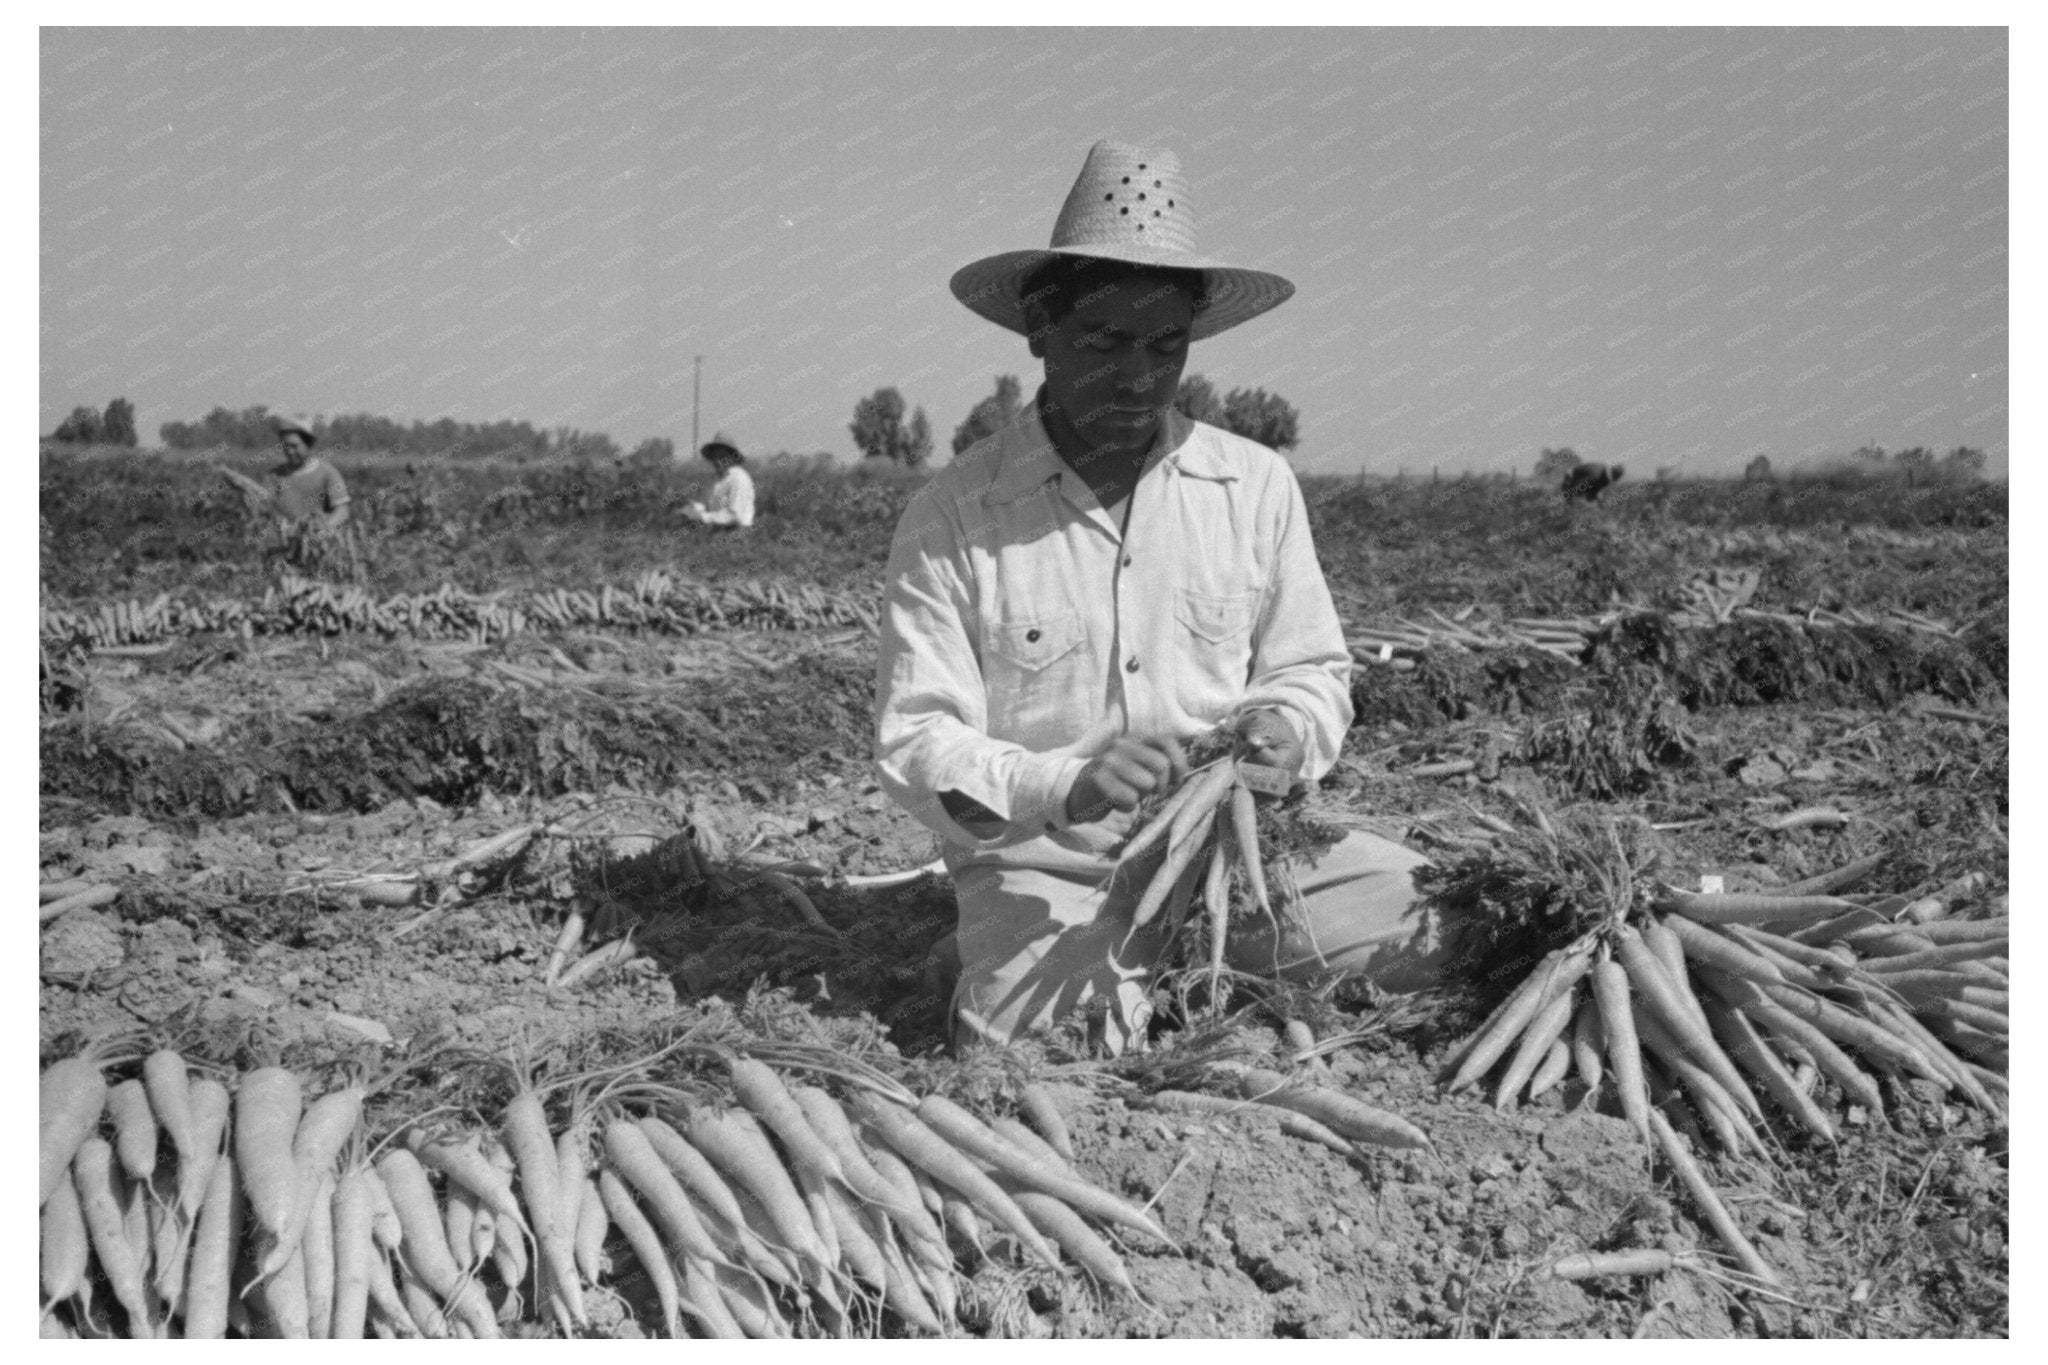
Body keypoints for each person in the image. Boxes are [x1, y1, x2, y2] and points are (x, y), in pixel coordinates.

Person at [876, 140, 1446, 1054]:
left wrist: (1285, 728)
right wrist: (1068, 784)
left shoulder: (1253, 486)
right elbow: (920, 740)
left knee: (1456, 934)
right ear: (1039, 329)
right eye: (1104, 342)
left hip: (1247, 847)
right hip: (1054, 862)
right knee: (1054, 1048)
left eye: (1163, 345)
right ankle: (1018, 952)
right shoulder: (954, 515)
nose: (1139, 376)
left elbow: (1310, 667)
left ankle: (1197, 957)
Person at [683, 431, 756, 530]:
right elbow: (710, 508)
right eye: (715, 456)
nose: (718, 461)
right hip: (719, 531)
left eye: (722, 456)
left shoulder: (739, 478)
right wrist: (693, 507)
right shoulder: (717, 480)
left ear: (732, 457)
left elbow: (735, 516)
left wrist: (701, 517)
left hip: (738, 534)